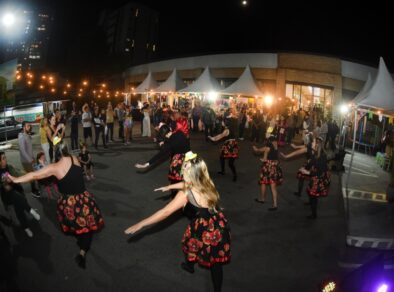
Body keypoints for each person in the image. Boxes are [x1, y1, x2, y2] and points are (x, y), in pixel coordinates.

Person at [125, 152, 231, 292]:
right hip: (218, 224)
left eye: (185, 166)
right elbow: (187, 183)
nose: (182, 168)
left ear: (190, 172)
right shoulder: (206, 180)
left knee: (189, 243)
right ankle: (214, 287)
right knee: (215, 260)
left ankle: (189, 266)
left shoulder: (186, 193)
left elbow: (165, 212)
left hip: (204, 227)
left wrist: (141, 223)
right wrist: (170, 187)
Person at [8, 141, 104, 268]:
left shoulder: (54, 168)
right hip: (84, 199)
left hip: (70, 204)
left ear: (55, 153)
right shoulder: (74, 158)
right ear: (66, 150)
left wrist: (15, 179)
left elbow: (34, 175)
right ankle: (83, 249)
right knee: (86, 225)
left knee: (78, 225)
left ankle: (82, 249)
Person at [135, 124, 190, 198]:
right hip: (190, 158)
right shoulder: (179, 133)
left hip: (180, 162)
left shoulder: (170, 143)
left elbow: (161, 154)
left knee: (176, 180)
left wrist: (147, 164)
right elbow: (171, 139)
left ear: (166, 134)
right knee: (187, 180)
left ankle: (176, 197)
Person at [0, 152, 40, 237]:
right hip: (6, 196)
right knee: (16, 196)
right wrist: (5, 184)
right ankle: (30, 210)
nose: (5, 159)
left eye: (5, 157)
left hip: (15, 192)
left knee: (18, 205)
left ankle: (26, 228)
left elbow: (18, 175)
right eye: (3, 158)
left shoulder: (9, 167)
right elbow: (6, 188)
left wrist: (28, 175)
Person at [298, 142, 331, 219]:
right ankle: (311, 203)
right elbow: (310, 164)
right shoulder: (315, 154)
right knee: (309, 191)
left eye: (313, 143)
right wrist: (304, 168)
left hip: (320, 178)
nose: (311, 143)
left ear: (317, 146)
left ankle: (314, 215)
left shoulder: (322, 157)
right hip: (315, 177)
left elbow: (320, 172)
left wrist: (308, 172)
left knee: (313, 195)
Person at [253, 135, 283, 211]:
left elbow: (261, 152)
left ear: (269, 141)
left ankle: (262, 199)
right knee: (273, 187)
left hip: (268, 167)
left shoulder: (268, 146)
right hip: (275, 167)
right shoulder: (276, 145)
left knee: (263, 182)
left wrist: (255, 149)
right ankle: (275, 204)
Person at [18, 121, 41, 198]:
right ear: (23, 127)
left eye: (29, 126)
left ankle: (35, 188)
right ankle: (33, 190)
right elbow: (23, 151)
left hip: (31, 158)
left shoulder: (26, 135)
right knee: (32, 176)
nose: (29, 127)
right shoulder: (21, 137)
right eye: (28, 126)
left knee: (34, 173)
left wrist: (32, 158)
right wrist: (29, 160)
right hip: (26, 161)